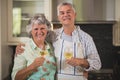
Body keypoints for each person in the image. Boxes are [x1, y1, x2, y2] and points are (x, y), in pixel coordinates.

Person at [15, 2, 101, 80]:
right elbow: (37, 36)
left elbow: (97, 64)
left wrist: (81, 62)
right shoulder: (53, 35)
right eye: (62, 13)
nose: (65, 15)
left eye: (68, 12)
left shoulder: (86, 38)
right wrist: (21, 46)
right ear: (59, 17)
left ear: (75, 14)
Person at [11, 14, 56, 80]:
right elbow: (15, 77)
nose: (39, 32)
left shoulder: (51, 47)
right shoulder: (23, 49)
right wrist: (31, 67)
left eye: (42, 28)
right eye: (36, 29)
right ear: (31, 31)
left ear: (47, 30)